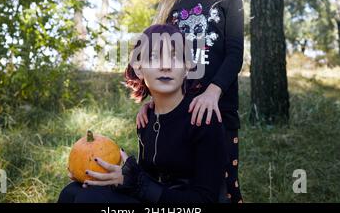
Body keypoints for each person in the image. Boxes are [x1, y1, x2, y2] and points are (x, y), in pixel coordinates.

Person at [136, 0, 245, 203]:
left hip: (218, 109)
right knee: (177, 181)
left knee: (221, 185)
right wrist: (152, 101)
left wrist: (213, 92)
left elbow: (235, 54)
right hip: (178, 110)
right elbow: (157, 55)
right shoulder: (173, 3)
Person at [58, 24, 229, 203]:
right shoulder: (147, 119)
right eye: (155, 57)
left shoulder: (203, 117)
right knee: (72, 192)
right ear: (139, 69)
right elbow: (146, 179)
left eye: (174, 57)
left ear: (187, 68)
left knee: (89, 199)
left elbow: (205, 199)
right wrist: (98, 172)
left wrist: (134, 181)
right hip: (159, 199)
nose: (165, 66)